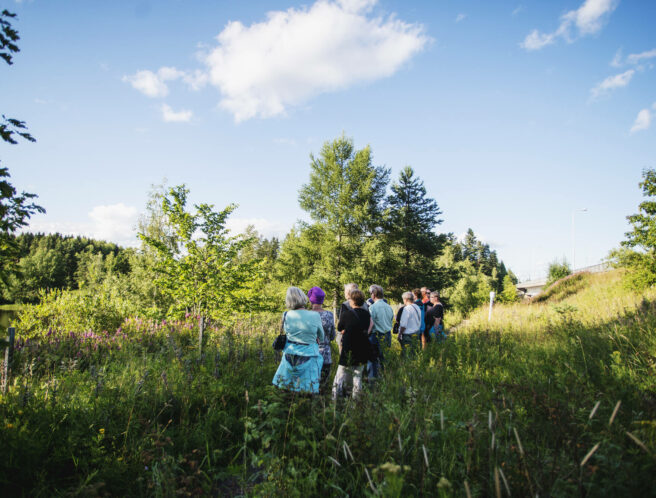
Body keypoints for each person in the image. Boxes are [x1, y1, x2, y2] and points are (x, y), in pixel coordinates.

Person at [272, 287, 324, 394]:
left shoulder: (286, 315)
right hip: (310, 355)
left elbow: (287, 332)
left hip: (289, 355)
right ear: (303, 298)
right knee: (308, 390)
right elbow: (321, 337)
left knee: (286, 389)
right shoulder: (315, 315)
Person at [333, 289, 372, 399]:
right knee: (358, 376)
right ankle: (355, 401)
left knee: (340, 374)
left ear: (352, 300)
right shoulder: (366, 314)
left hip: (348, 347)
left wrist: (346, 330)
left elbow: (340, 327)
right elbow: (365, 327)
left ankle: (335, 397)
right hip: (361, 347)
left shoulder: (346, 314)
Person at [308, 286, 336, 392]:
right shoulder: (329, 315)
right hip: (325, 354)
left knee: (310, 386)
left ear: (311, 299)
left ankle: (311, 407)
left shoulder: (307, 315)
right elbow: (332, 336)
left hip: (310, 354)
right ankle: (322, 406)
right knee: (323, 386)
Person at [367, 285, 393, 380]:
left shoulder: (372, 308)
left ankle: (373, 381)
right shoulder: (389, 307)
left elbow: (371, 323)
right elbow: (391, 320)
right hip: (387, 334)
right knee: (384, 359)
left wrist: (366, 335)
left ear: (373, 295)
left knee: (372, 359)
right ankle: (385, 379)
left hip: (376, 335)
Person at [337, 283, 368, 351]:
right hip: (362, 336)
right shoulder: (365, 304)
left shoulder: (345, 304)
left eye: (345, 291)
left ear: (348, 292)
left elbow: (341, 325)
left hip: (348, 337)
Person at [398, 291, 422, 357]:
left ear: (406, 299)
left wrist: (399, 334)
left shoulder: (406, 309)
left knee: (407, 355)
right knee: (415, 353)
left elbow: (403, 325)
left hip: (408, 335)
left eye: (403, 299)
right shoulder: (417, 307)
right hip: (416, 332)